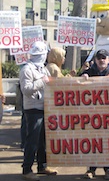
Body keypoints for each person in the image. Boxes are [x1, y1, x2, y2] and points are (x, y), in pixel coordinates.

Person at [20, 41, 57, 181]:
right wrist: (42, 81)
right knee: (32, 140)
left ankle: (42, 165)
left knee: (42, 140)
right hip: (33, 109)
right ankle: (27, 169)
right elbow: (26, 89)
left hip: (44, 107)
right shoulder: (27, 70)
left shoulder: (42, 68)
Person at [81, 49, 109, 179]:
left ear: (108, 60)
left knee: (108, 143)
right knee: (93, 142)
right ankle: (91, 169)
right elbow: (77, 85)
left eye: (104, 57)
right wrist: (82, 78)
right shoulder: (89, 73)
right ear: (95, 60)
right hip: (93, 116)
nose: (101, 60)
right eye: (99, 58)